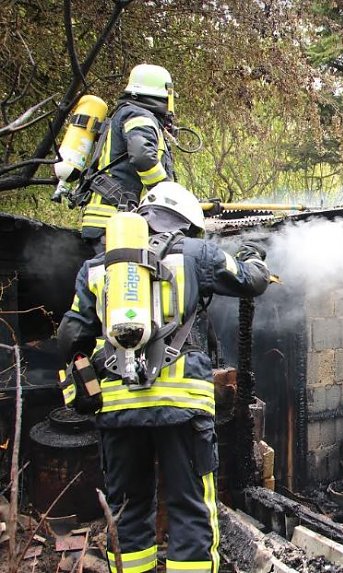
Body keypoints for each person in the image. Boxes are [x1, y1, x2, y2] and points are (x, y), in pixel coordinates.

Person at [56, 181, 270, 573]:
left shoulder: (97, 266)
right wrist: (252, 254)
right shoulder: (197, 252)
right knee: (190, 507)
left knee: (127, 508)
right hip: (182, 406)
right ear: (186, 221)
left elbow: (70, 336)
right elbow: (252, 281)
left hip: (118, 408)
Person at [79, 64, 177, 252]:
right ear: (166, 94)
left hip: (112, 221)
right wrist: (167, 193)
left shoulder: (128, 113)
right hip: (116, 222)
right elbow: (142, 156)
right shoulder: (138, 114)